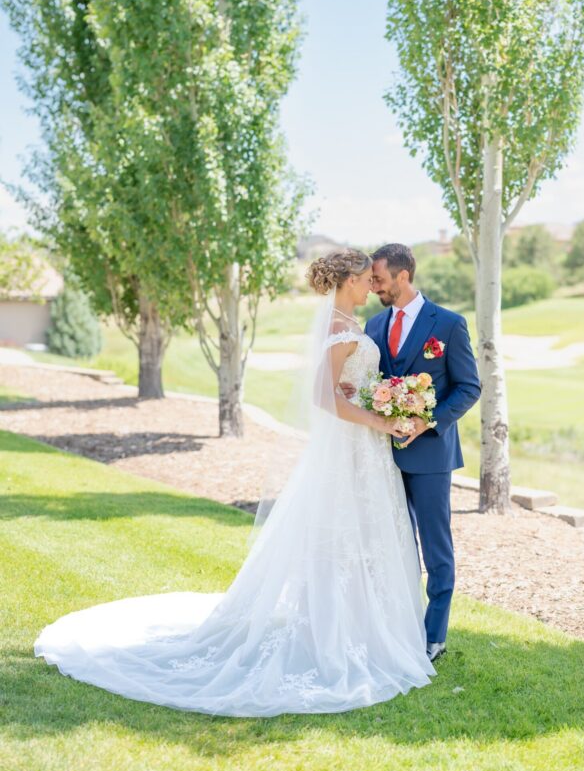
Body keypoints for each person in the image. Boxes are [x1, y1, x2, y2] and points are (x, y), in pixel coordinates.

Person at [34, 249, 436, 716]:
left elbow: (347, 387)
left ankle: (362, 628)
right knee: (338, 538)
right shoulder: (338, 330)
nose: (372, 285)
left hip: (363, 451)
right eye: (367, 278)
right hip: (352, 447)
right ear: (347, 280)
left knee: (362, 537)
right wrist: (380, 421)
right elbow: (323, 399)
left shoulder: (352, 324)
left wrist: (378, 402)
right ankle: (330, 635)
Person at [345, 244, 481, 663]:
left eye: (380, 280)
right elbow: (371, 380)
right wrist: (355, 393)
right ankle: (394, 627)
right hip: (381, 456)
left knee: (437, 549)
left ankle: (433, 636)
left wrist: (429, 420)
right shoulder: (373, 323)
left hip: (431, 457)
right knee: (394, 545)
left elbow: (469, 387)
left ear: (403, 277)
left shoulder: (450, 325)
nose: (375, 286)